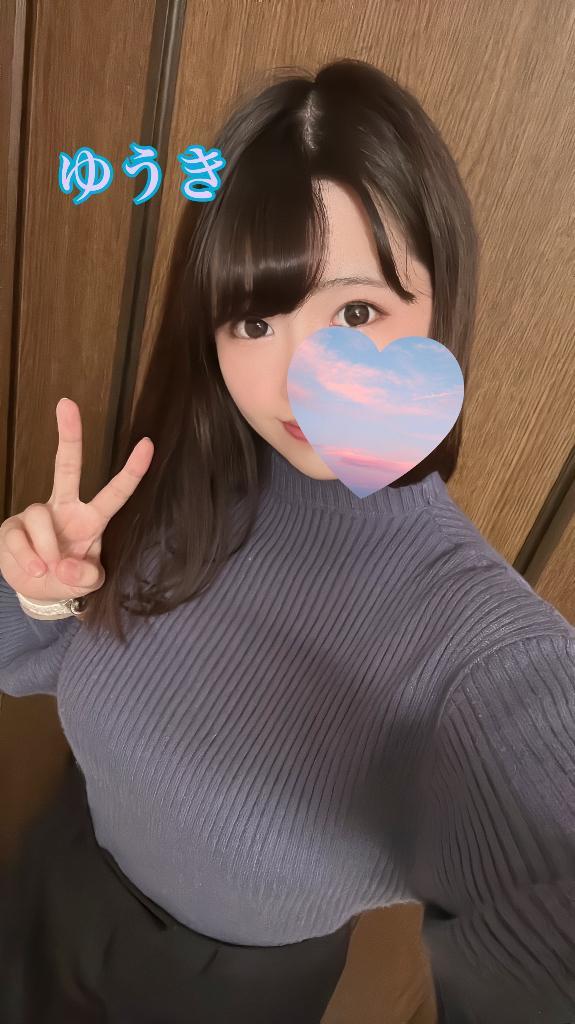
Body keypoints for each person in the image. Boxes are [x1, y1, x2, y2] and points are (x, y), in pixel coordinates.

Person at [0, 57, 574, 1024]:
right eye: (256, 319)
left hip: (228, 992)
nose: (301, 377)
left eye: (355, 311)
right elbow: (28, 661)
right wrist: (40, 597)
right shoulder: (183, 475)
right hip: (62, 872)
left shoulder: (480, 650)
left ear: (440, 303)